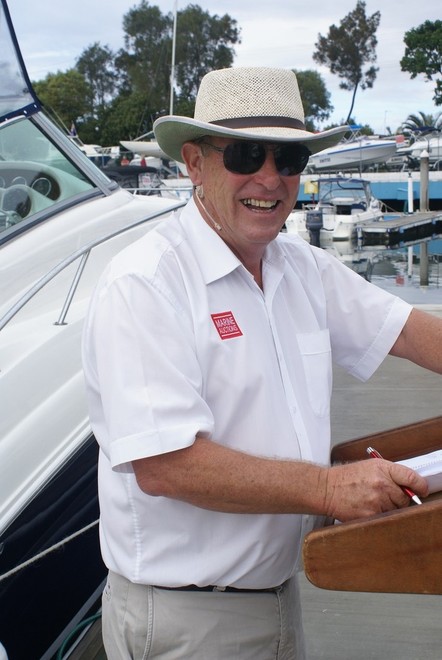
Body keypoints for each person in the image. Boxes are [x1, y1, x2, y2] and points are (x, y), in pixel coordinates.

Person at [82, 67, 442, 660]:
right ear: (194, 163)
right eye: (246, 154)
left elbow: (405, 330)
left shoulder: (300, 266)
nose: (270, 179)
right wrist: (328, 489)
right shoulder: (144, 283)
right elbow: (167, 467)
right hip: (187, 621)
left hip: (276, 599)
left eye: (290, 157)